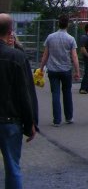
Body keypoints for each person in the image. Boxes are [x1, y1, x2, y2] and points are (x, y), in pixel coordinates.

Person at [0, 13, 37, 189]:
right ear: (10, 32)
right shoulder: (17, 57)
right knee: (12, 167)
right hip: (10, 120)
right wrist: (30, 123)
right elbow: (25, 94)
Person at [39, 13, 80, 126]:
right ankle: (69, 117)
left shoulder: (50, 37)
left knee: (55, 94)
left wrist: (41, 68)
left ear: (58, 23)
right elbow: (74, 57)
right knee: (67, 93)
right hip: (66, 69)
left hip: (52, 69)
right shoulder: (71, 39)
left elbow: (45, 55)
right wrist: (77, 71)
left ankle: (57, 120)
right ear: (68, 25)